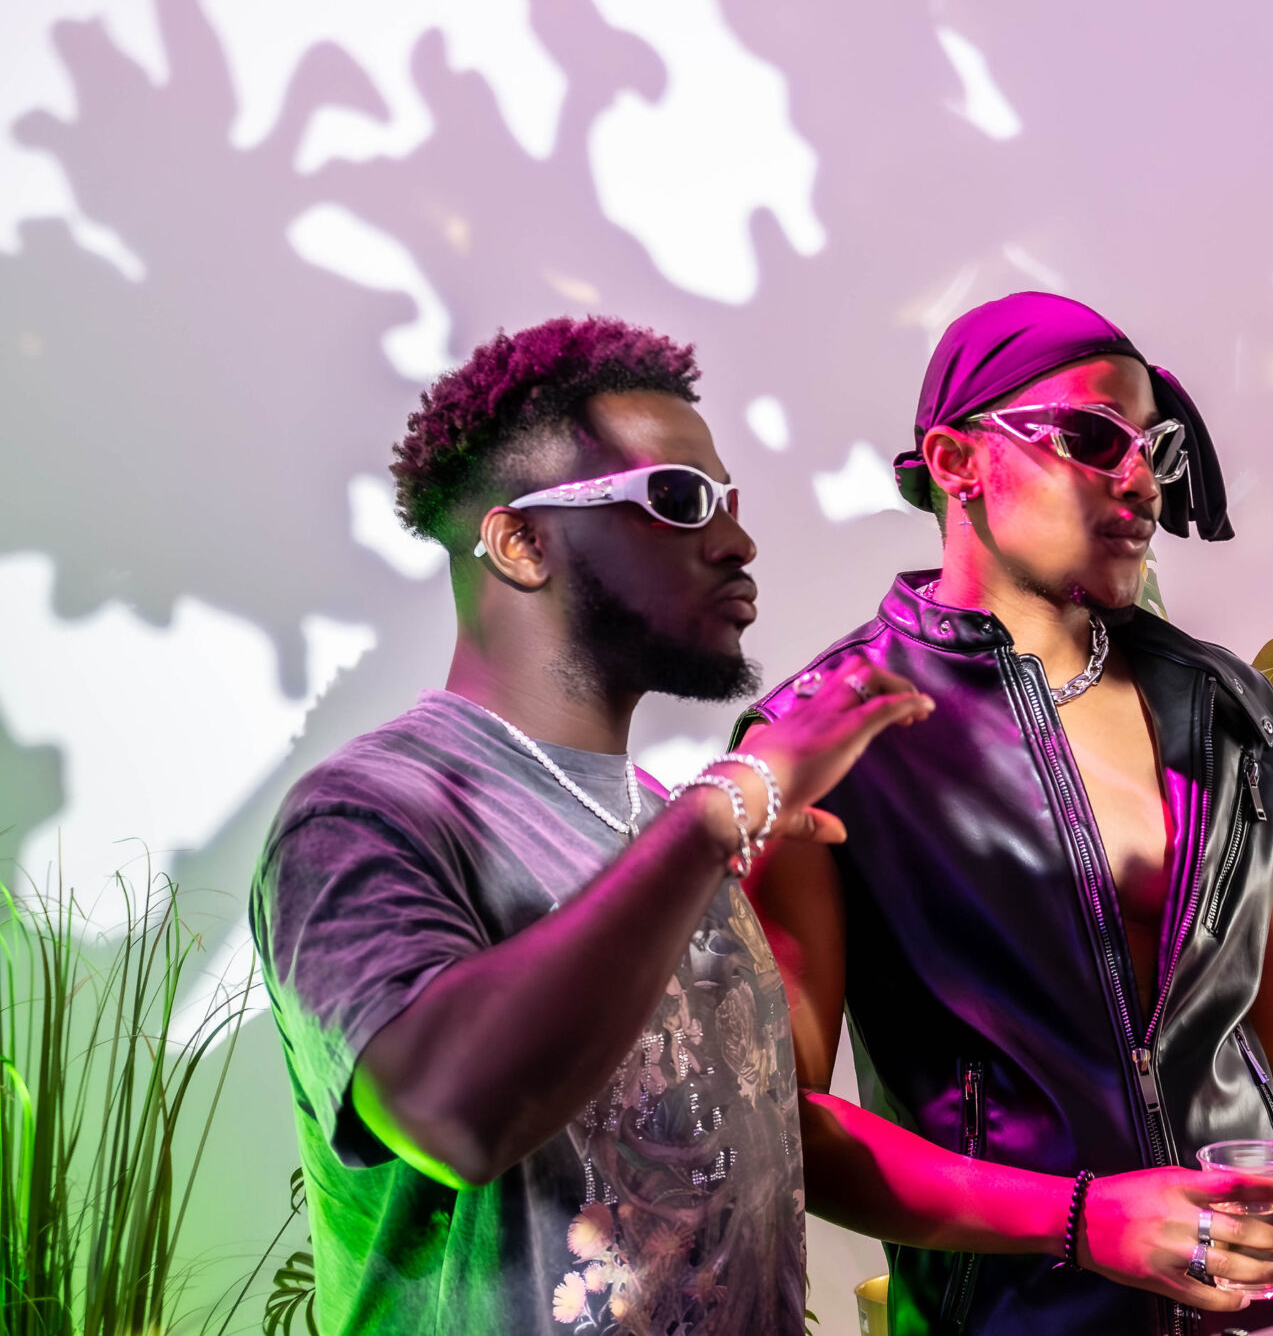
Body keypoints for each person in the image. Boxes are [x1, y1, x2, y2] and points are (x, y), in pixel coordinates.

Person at [737, 293, 1273, 1334]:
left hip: (1262, 1319)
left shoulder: (1221, 708)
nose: (1139, 480)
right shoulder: (823, 740)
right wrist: (1084, 1219)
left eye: (1155, 449)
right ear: (957, 462)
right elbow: (790, 1124)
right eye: (1091, 439)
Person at [250, 316, 933, 1335]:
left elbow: (748, 1138)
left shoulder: (670, 829)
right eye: (677, 498)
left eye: (729, 504)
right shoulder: (367, 813)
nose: (739, 541)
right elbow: (451, 1112)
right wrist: (718, 818)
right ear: (522, 542)